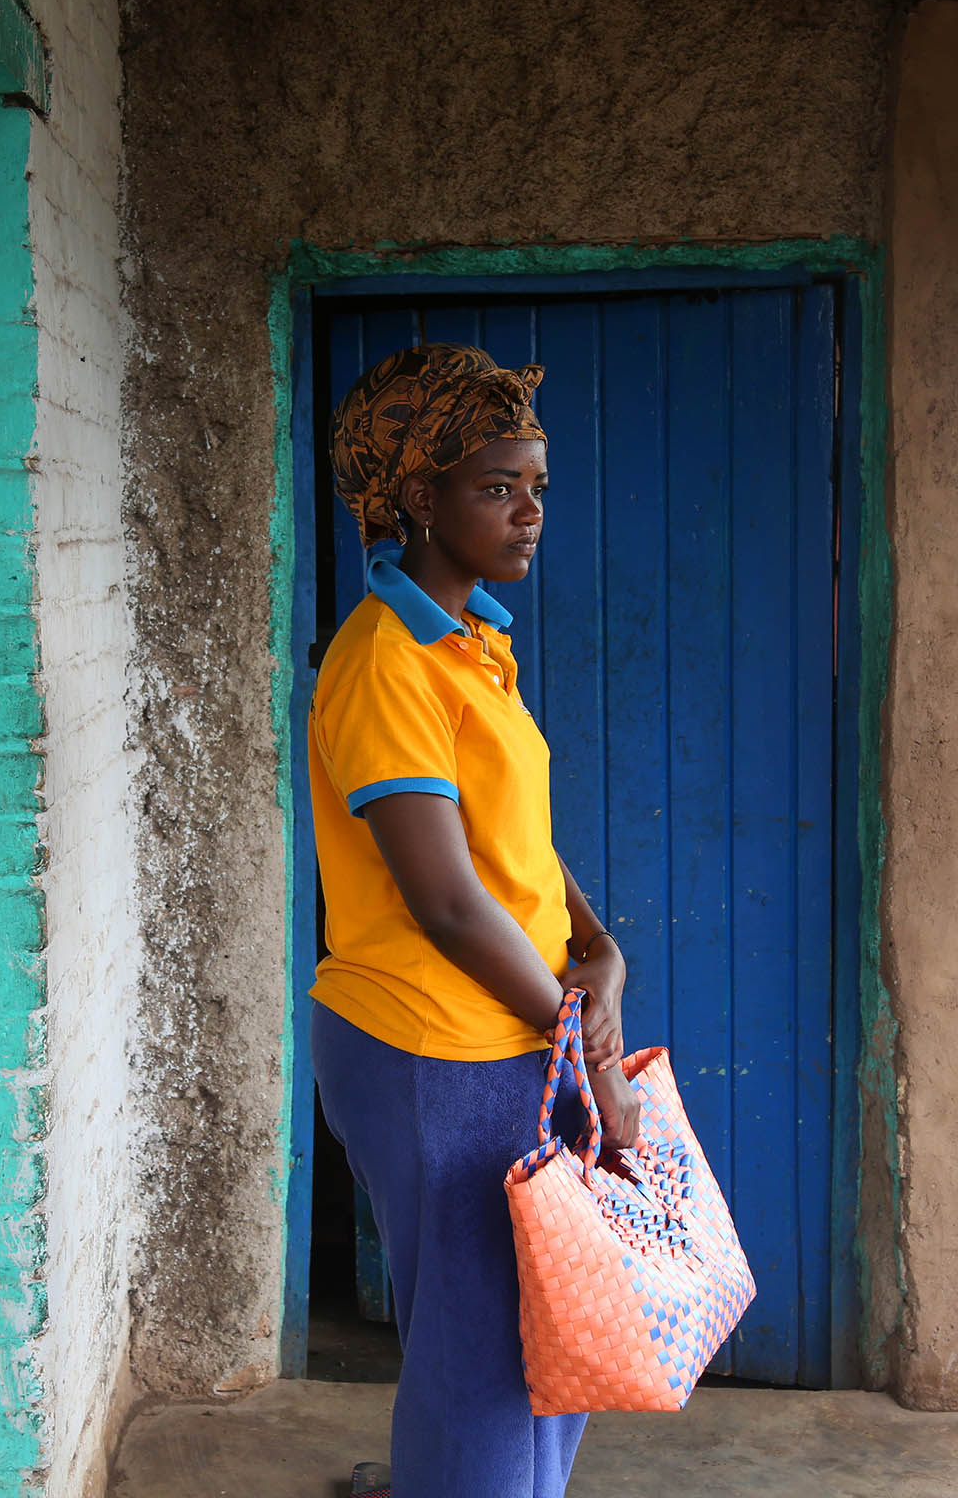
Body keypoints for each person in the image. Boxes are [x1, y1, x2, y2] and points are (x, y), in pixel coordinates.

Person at [309, 342, 640, 1498]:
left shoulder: (471, 644)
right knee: (486, 1356)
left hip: (507, 1031)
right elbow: (445, 900)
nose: (529, 510)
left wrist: (594, 948)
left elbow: (516, 847)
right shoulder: (385, 663)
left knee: (546, 1342)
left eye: (534, 484)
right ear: (415, 499)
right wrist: (578, 1026)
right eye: (496, 487)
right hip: (429, 1047)